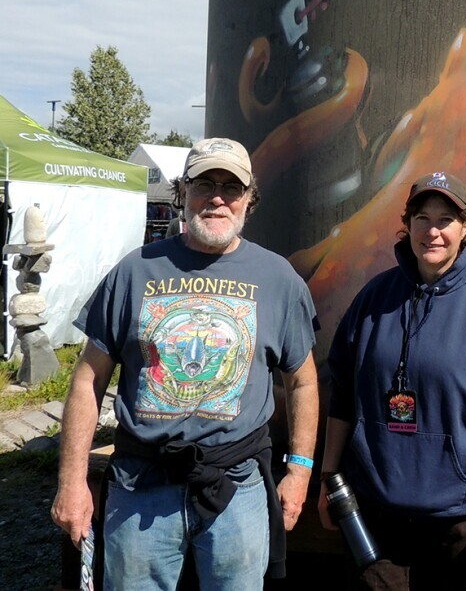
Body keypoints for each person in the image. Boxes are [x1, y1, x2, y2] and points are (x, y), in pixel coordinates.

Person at [52, 137, 320, 590]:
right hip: (141, 487)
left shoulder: (279, 279)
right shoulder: (135, 271)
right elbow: (86, 382)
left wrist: (298, 471)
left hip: (236, 491)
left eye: (231, 187)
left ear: (248, 200)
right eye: (204, 183)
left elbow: (303, 383)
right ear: (182, 192)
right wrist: (72, 481)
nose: (217, 197)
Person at [318, 171, 466, 590]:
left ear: (465, 227)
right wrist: (330, 478)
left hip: (461, 527)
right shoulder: (373, 298)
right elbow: (343, 393)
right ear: (408, 223)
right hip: (375, 520)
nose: (433, 231)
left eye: (445, 220)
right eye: (423, 218)